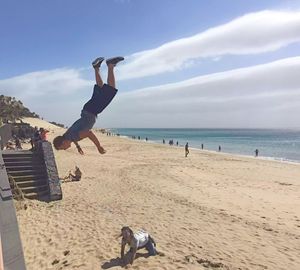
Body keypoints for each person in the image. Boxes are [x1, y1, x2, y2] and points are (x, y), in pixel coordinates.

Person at [53, 56, 124, 155]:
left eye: (62, 148)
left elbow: (89, 133)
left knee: (111, 90)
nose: (65, 149)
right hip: (88, 110)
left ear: (63, 143)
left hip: (92, 110)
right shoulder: (67, 135)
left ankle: (110, 65)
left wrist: (99, 147)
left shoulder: (73, 136)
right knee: (100, 87)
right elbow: (74, 138)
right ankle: (96, 67)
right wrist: (78, 147)